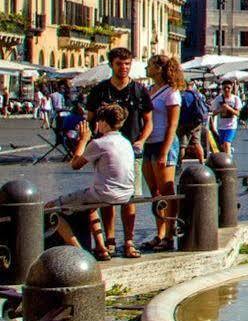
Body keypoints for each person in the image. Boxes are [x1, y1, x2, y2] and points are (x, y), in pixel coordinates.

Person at [84, 48, 151, 253]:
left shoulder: (139, 90)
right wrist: (93, 136)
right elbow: (89, 119)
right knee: (107, 197)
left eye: (127, 64)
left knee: (129, 197)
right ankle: (111, 239)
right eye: (119, 64)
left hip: (131, 150)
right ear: (111, 65)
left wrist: (141, 140)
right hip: (105, 150)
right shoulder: (100, 90)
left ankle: (129, 241)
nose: (124, 68)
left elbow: (148, 122)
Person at [56, 103, 137, 259]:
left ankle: (80, 252)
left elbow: (75, 165)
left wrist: (83, 140)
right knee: (91, 207)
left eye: (98, 122)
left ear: (104, 123)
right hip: (127, 194)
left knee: (51, 209)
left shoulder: (99, 143)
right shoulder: (126, 142)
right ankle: (101, 247)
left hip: (105, 194)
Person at [138, 54, 181, 248]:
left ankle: (170, 234)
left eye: (149, 65)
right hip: (149, 143)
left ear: (159, 68)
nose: (147, 68)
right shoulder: (149, 90)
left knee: (166, 191)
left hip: (165, 143)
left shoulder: (171, 92)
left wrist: (164, 151)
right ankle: (159, 232)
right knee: (155, 192)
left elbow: (173, 125)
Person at [213, 80, 242, 152]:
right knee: (222, 146)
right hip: (221, 126)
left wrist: (229, 108)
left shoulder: (235, 99)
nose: (226, 90)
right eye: (224, 88)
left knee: (227, 143)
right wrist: (221, 109)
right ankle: (229, 154)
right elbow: (213, 112)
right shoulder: (218, 99)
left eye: (228, 88)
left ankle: (229, 160)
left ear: (231, 88)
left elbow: (238, 113)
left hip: (231, 126)